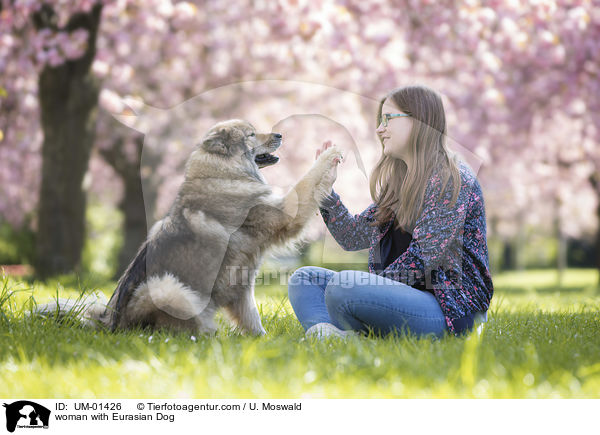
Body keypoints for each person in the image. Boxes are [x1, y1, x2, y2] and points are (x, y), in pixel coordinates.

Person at [287, 85, 494, 339]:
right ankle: (329, 336)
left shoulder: (451, 179)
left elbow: (420, 259)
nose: (379, 128)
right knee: (305, 279)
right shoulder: (400, 183)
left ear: (419, 121)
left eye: (388, 119)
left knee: (344, 286)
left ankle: (349, 333)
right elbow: (353, 237)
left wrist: (368, 290)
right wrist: (326, 191)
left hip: (451, 312)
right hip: (405, 300)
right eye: (379, 120)